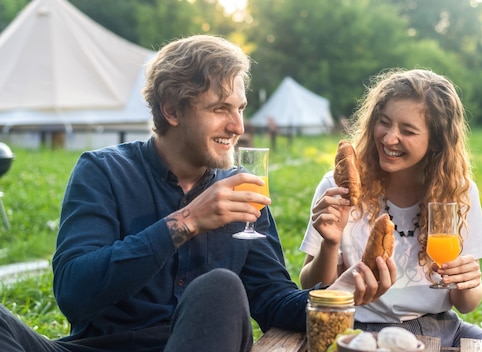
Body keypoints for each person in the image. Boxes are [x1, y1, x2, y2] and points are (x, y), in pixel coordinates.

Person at [0, 35, 396, 352]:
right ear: (172, 109)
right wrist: (186, 221)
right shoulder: (103, 171)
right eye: (221, 108)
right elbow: (73, 294)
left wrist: (342, 289)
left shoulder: (244, 191)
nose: (238, 125)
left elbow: (273, 301)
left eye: (240, 108)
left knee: (221, 287)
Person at [299, 68, 482, 352]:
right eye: (384, 123)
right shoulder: (339, 186)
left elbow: (467, 304)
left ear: (436, 142)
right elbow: (311, 287)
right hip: (357, 330)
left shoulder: (458, 192)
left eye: (407, 131)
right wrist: (330, 244)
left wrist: (468, 282)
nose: (390, 138)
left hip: (441, 328)